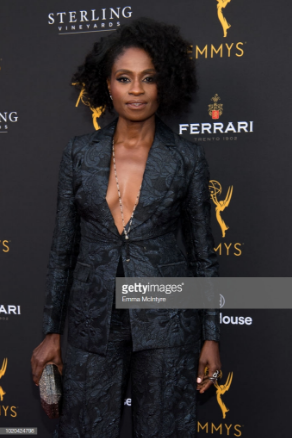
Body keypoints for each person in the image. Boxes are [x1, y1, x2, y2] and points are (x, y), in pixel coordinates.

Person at [31, 17, 221, 438]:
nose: (136, 90)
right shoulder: (79, 154)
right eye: (124, 78)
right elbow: (62, 250)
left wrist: (211, 336)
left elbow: (202, 254)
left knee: (164, 430)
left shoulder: (186, 158)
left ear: (165, 84)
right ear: (107, 85)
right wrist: (52, 329)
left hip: (167, 321)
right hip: (91, 321)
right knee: (86, 430)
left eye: (148, 78)